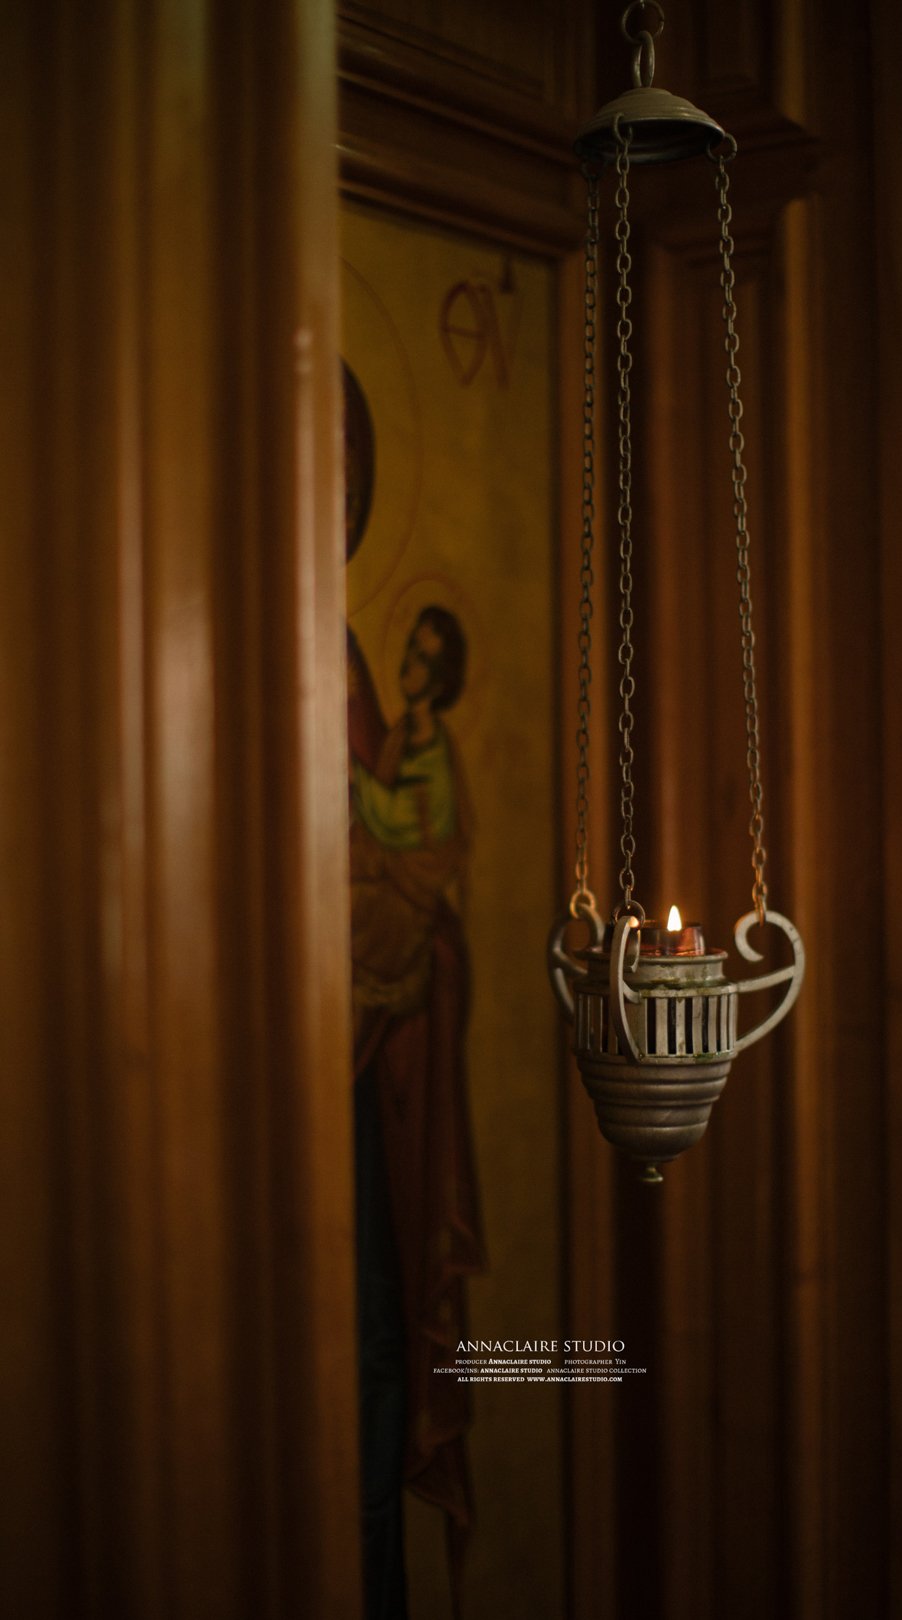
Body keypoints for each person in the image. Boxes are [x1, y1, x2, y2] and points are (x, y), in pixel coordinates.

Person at [348, 607, 486, 1620]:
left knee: (386, 1320)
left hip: (402, 975)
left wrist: (350, 790)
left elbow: (413, 834)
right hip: (375, 960)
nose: (411, 671)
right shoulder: (398, 734)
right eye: (410, 655)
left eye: (426, 663)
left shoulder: (424, 749)